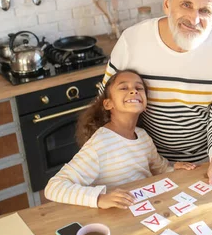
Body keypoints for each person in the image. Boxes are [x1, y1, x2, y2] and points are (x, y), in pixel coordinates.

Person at [101, 0, 212, 191]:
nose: (194, 18)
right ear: (166, 3)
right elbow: (107, 105)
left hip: (205, 163)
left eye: (205, 10)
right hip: (145, 165)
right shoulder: (132, 40)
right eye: (186, 5)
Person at [45, 70, 195, 209]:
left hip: (144, 207)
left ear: (145, 104)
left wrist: (173, 168)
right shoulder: (100, 144)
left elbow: (158, 167)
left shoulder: (143, 136)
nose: (133, 91)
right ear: (108, 104)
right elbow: (54, 187)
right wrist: (99, 199)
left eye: (139, 88)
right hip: (118, 215)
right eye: (124, 88)